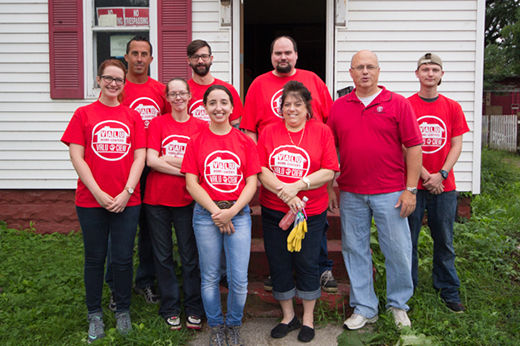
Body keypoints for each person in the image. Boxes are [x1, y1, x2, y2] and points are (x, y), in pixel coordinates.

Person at [327, 50, 423, 329]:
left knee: (398, 250)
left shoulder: (398, 104)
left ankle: (398, 305)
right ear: (351, 73)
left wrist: (411, 190)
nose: (365, 72)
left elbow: (414, 148)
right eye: (359, 67)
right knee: (355, 249)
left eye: (370, 67)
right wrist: (332, 185)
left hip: (391, 191)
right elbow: (331, 148)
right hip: (352, 192)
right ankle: (365, 307)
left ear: (379, 71)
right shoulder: (339, 106)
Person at [241, 35, 338, 293]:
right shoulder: (259, 85)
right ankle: (280, 271)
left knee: (314, 225)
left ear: (296, 55)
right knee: (276, 229)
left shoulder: (313, 80)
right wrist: (257, 172)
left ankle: (321, 268)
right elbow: (250, 130)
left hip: (311, 170)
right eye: (277, 53)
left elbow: (327, 124)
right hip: (272, 168)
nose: (282, 57)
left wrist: (328, 183)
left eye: (287, 53)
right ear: (271, 56)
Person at [61, 59, 146, 342]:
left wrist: (127, 192)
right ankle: (94, 313)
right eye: (108, 78)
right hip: (90, 200)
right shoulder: (83, 114)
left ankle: (122, 309)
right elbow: (77, 156)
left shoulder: (132, 116)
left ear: (124, 84)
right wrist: (98, 192)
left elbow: (140, 157)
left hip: (127, 201)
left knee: (122, 259)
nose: (113, 84)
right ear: (99, 80)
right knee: (95, 259)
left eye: (118, 80)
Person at [257, 81, 339, 343]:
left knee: (306, 262)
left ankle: (308, 319)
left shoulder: (322, 131)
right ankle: (287, 316)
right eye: (287, 105)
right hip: (274, 213)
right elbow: (260, 168)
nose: (291, 109)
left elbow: (328, 170)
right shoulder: (269, 131)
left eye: (298, 104)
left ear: (307, 108)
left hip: (310, 213)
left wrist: (298, 186)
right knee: (279, 263)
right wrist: (285, 192)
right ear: (280, 109)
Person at [181, 85, 260, 346]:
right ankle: (216, 325)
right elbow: (192, 183)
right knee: (210, 276)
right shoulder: (196, 140)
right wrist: (218, 213)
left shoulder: (245, 141)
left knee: (238, 277)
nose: (218, 108)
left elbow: (251, 182)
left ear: (232, 108)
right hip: (206, 215)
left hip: (238, 214)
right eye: (212, 103)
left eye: (224, 102)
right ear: (205, 107)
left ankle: (234, 324)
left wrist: (232, 212)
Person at [106, 36, 168, 309]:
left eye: (145, 54)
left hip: (152, 169)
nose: (140, 58)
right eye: (135, 53)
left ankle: (145, 281)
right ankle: (115, 284)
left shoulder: (160, 90)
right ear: (127, 57)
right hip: (124, 166)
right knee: (119, 230)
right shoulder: (119, 87)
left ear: (151, 59)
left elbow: (168, 125)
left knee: (149, 230)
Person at [407, 53, 469, 313]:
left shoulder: (452, 106)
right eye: (425, 69)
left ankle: (447, 289)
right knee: (408, 240)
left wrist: (440, 174)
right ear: (417, 74)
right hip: (413, 185)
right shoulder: (406, 105)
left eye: (434, 69)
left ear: (441, 75)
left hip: (445, 187)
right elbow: (404, 144)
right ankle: (406, 290)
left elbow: (456, 144)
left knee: (444, 239)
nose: (429, 74)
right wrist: (424, 175)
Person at [144, 78, 206, 330]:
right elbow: (151, 160)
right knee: (163, 256)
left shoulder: (201, 126)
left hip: (187, 200)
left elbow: (201, 165)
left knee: (190, 256)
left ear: (190, 96)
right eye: (173, 94)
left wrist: (169, 159)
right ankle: (169, 306)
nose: (178, 98)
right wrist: (186, 167)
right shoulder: (158, 123)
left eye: (182, 93)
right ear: (167, 98)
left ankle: (193, 306)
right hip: (156, 200)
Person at [187, 39, 243, 126]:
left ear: (211, 58)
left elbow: (236, 124)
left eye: (204, 56)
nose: (200, 61)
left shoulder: (228, 89)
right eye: (195, 57)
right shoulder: (183, 92)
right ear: (188, 60)